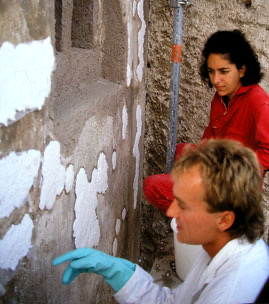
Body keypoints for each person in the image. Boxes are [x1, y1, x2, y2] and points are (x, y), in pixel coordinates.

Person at [52, 139, 269, 304]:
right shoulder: (218, 247)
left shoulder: (233, 293)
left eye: (183, 205)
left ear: (224, 219)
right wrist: (118, 273)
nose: (171, 211)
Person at [144, 29, 269, 213]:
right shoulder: (220, 99)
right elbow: (209, 139)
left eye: (224, 72)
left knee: (151, 186)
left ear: (242, 70)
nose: (216, 80)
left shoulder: (257, 100)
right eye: (211, 72)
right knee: (180, 151)